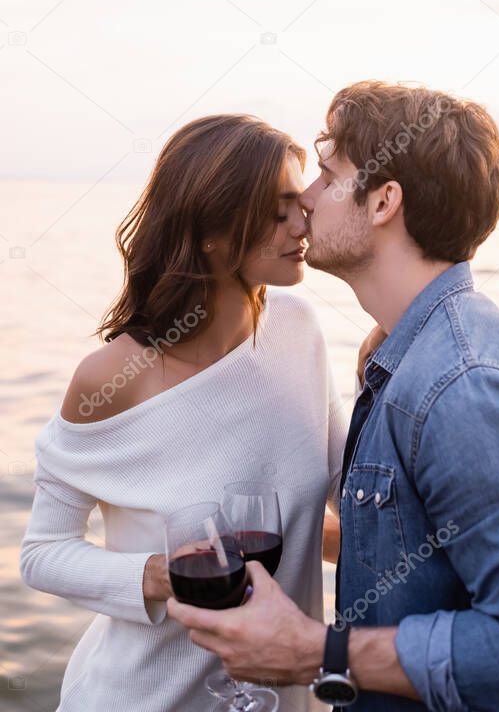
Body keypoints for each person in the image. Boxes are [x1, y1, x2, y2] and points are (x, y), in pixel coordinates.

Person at [168, 81, 499, 712]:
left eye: (327, 176)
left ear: (383, 202)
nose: (304, 196)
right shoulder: (408, 361)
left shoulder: (466, 389)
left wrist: (317, 652)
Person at [20, 113, 350, 712]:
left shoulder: (299, 332)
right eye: (279, 212)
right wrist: (157, 577)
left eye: (300, 202)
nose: (304, 221)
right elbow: (43, 553)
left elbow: (340, 497)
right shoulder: (109, 380)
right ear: (210, 233)